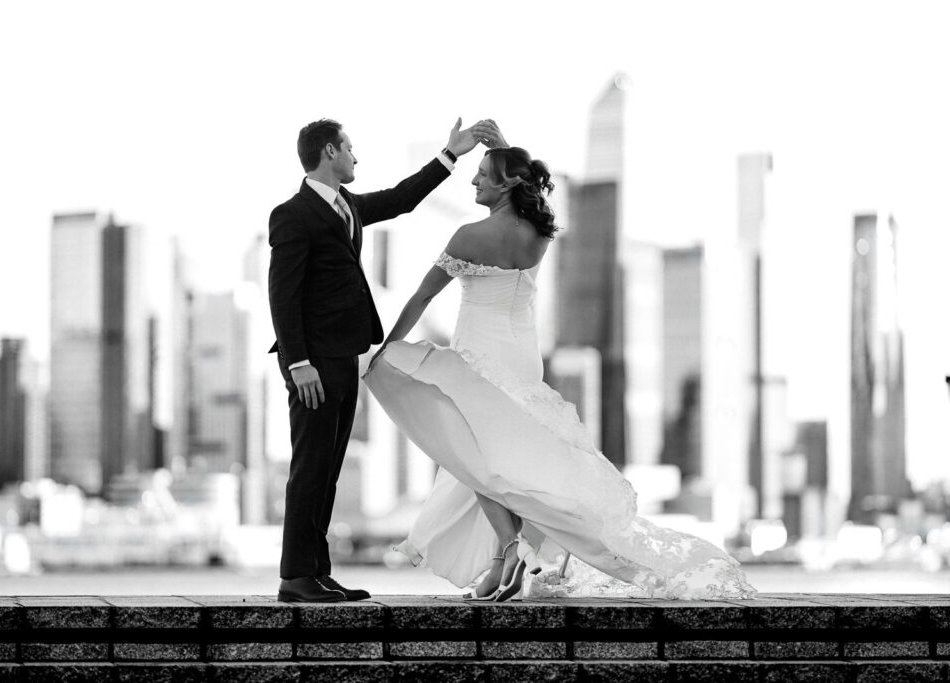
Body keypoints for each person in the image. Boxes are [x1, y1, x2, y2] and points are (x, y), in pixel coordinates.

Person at [363, 143, 757, 601]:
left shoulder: (467, 236)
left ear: (507, 183)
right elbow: (528, 186)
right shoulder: (539, 232)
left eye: (483, 174)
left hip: (478, 354)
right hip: (522, 355)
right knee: (502, 460)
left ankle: (508, 552)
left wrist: (388, 346)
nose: (473, 181)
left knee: (474, 458)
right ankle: (506, 557)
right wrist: (503, 149)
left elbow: (421, 298)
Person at [268, 117, 499, 603]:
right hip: (312, 363)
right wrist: (297, 362)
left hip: (343, 354)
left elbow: (400, 199)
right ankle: (295, 577)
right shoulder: (292, 214)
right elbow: (282, 295)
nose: (356, 156)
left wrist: (449, 155)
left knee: (328, 468)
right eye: (350, 148)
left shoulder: (346, 205)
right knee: (310, 465)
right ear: (330, 152)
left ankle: (316, 572)